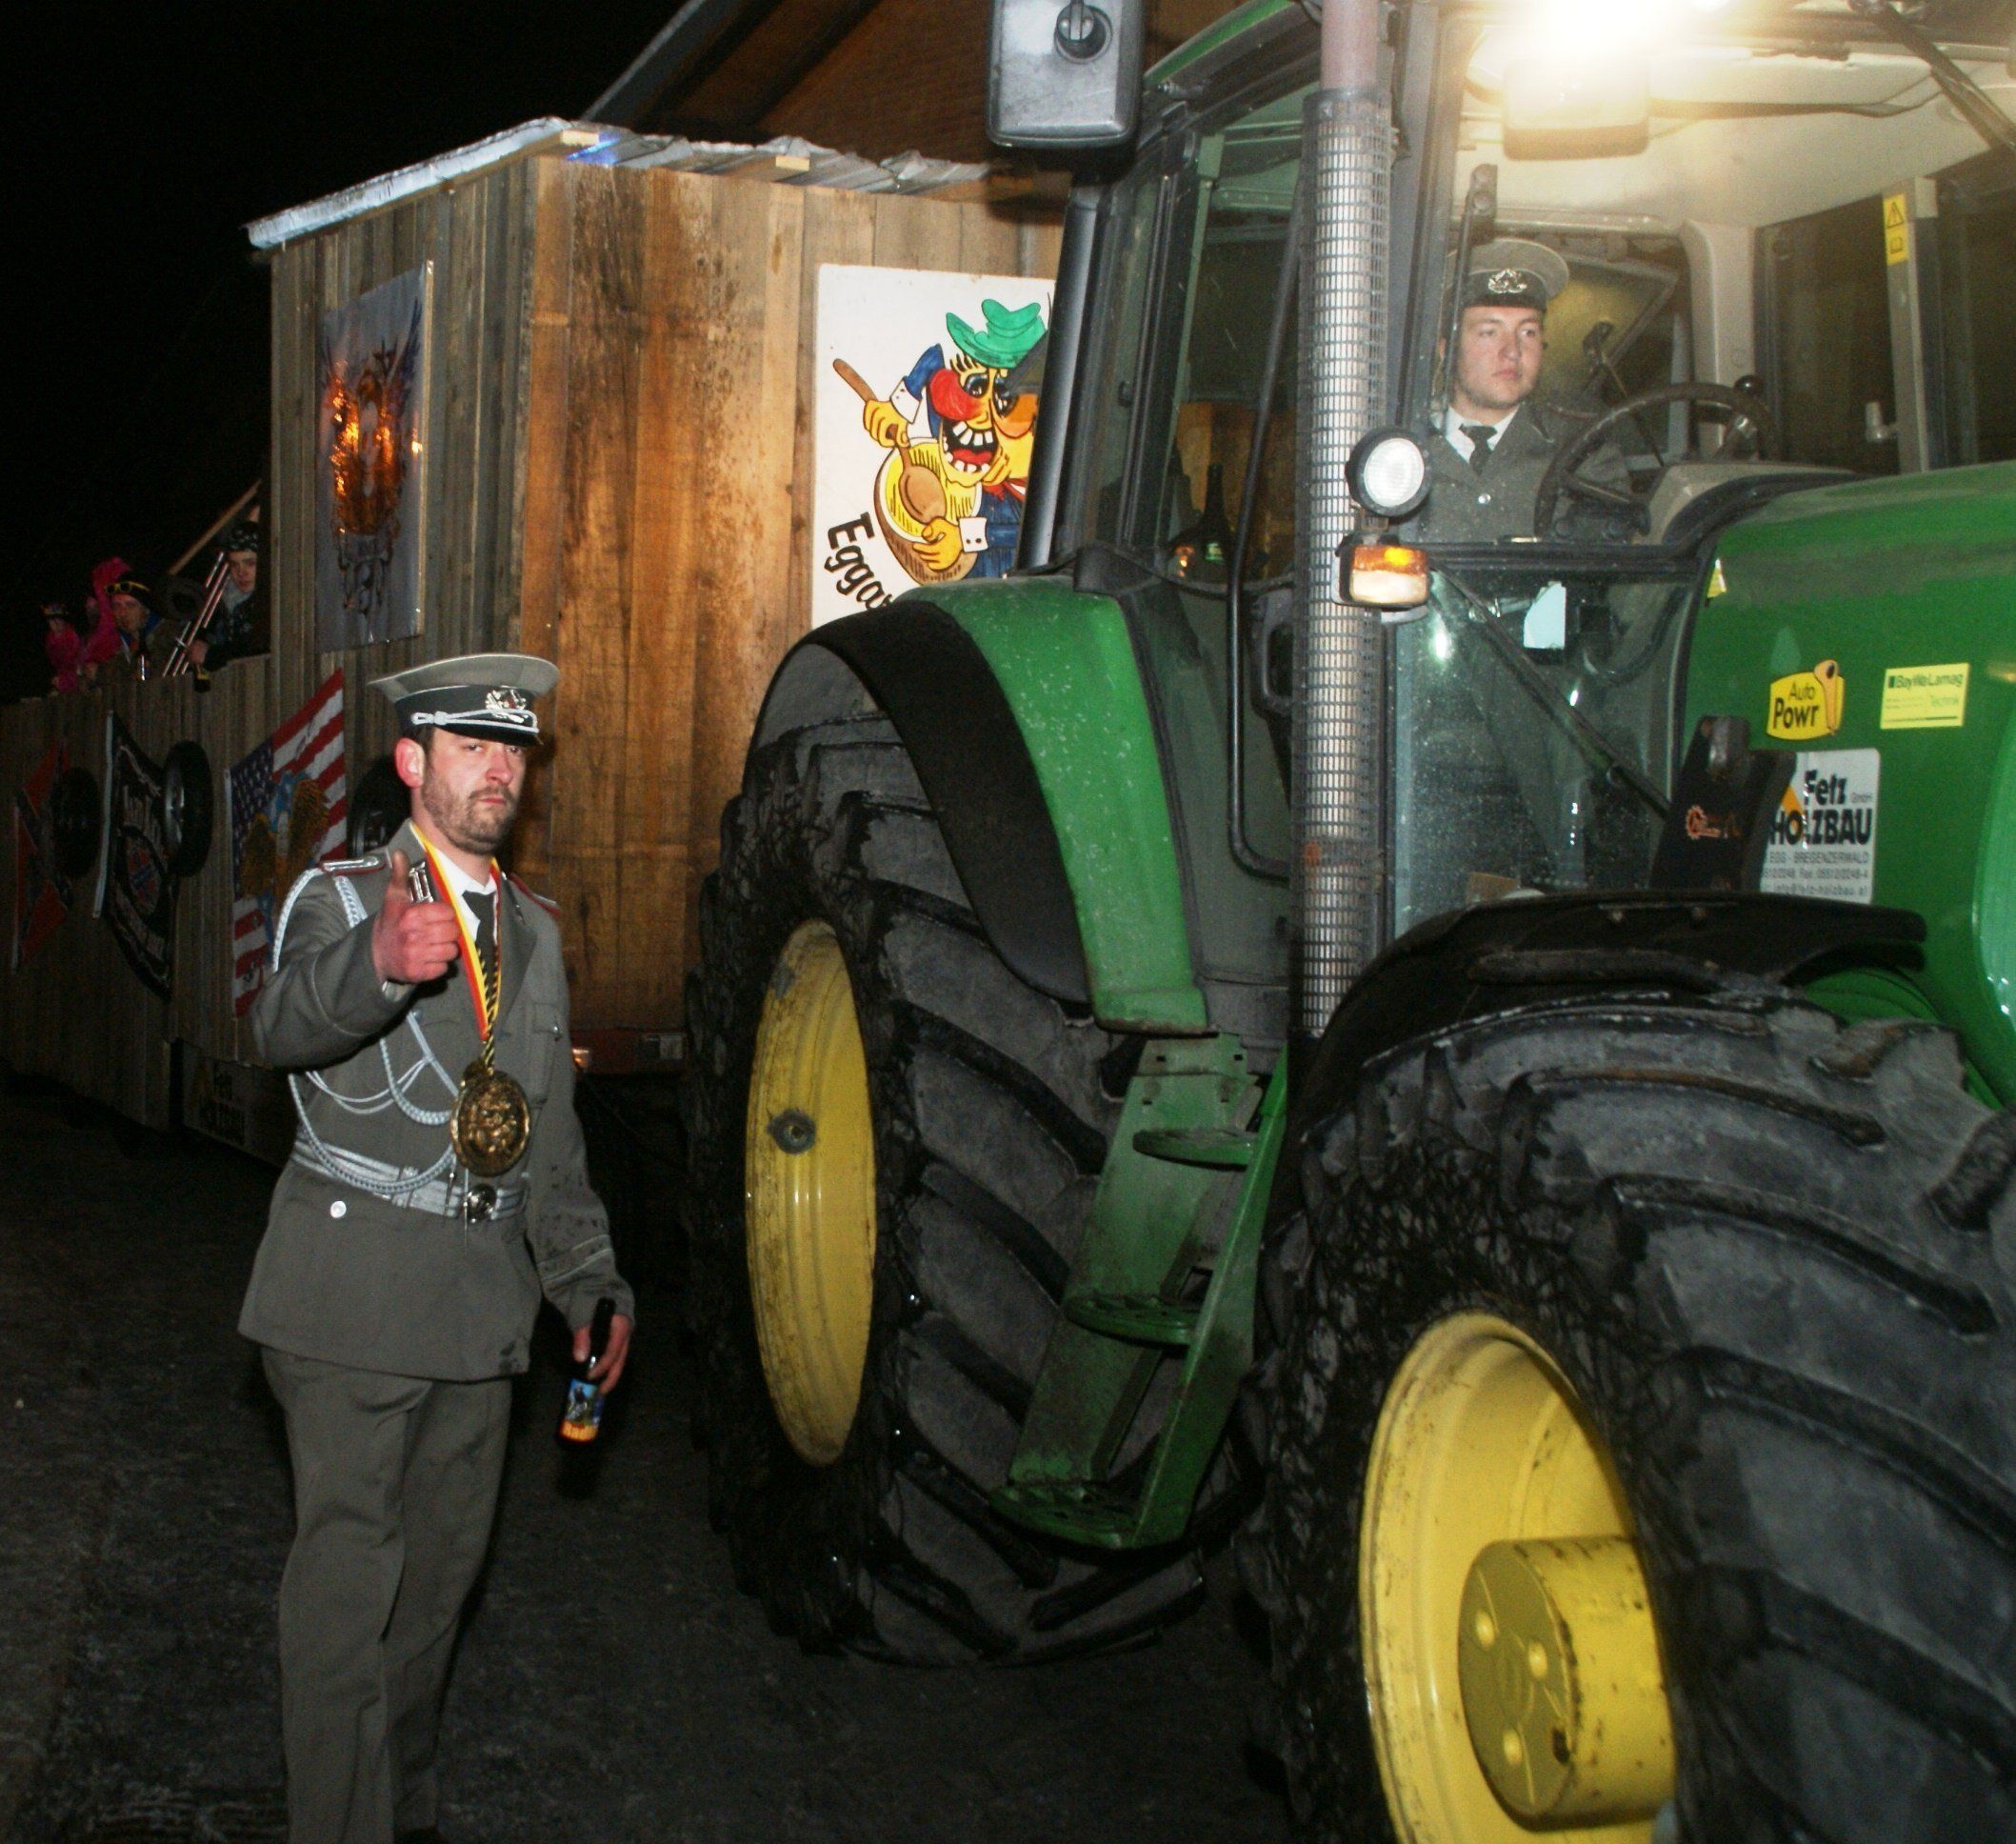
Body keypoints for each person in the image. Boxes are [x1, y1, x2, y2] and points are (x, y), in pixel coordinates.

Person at [240, 652, 634, 1844]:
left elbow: (548, 1141)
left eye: (512, 750)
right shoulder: (345, 898)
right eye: (471, 747)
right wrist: (373, 966)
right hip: (350, 1302)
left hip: (477, 1316)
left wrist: (588, 1282)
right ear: (413, 762)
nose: (497, 770)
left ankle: (398, 1810)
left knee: (431, 1608)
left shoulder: (537, 934)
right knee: (345, 1606)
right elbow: (275, 1024)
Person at [1417, 238, 1585, 542]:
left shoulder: (1582, 453)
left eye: (1528, 332)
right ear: (1446, 349)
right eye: (1489, 332)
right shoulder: (1402, 444)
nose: (1513, 351)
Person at [189, 518, 269, 670]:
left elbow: (257, 650)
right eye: (234, 564)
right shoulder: (220, 601)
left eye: (250, 563)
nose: (241, 572)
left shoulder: (271, 603)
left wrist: (211, 655)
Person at [102, 571, 171, 680]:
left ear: (146, 608)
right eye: (116, 606)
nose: (122, 613)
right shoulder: (120, 646)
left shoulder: (169, 637)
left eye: (130, 605)